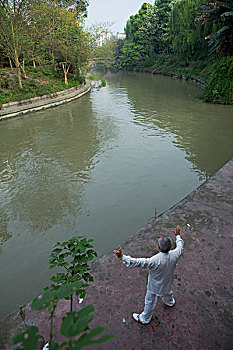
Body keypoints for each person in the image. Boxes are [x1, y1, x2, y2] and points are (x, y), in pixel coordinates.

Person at [113, 226, 184, 324]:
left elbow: (137, 262)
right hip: (167, 281)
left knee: (150, 301)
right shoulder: (175, 254)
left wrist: (122, 257)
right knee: (167, 292)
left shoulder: (154, 260)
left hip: (154, 285)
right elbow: (180, 246)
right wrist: (178, 236)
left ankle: (144, 318)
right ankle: (170, 302)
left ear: (159, 248)